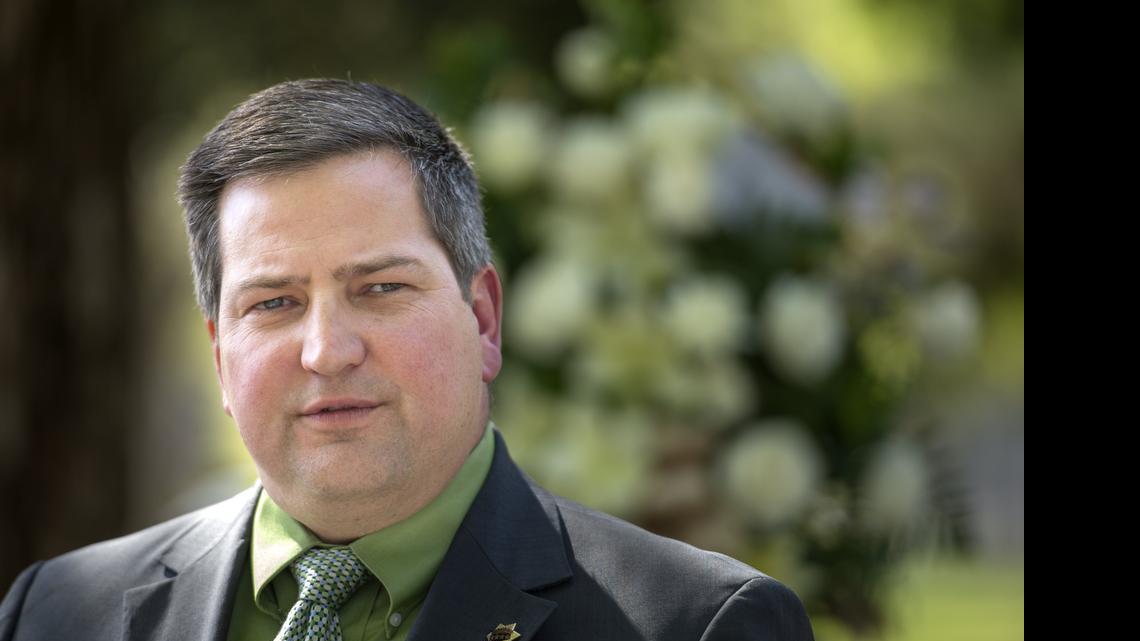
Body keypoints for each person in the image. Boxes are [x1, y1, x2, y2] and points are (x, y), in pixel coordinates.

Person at [0, 79, 815, 641]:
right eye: (273, 302)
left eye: (381, 287)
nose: (326, 350)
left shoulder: (699, 624)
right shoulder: (56, 613)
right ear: (220, 355)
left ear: (484, 318)